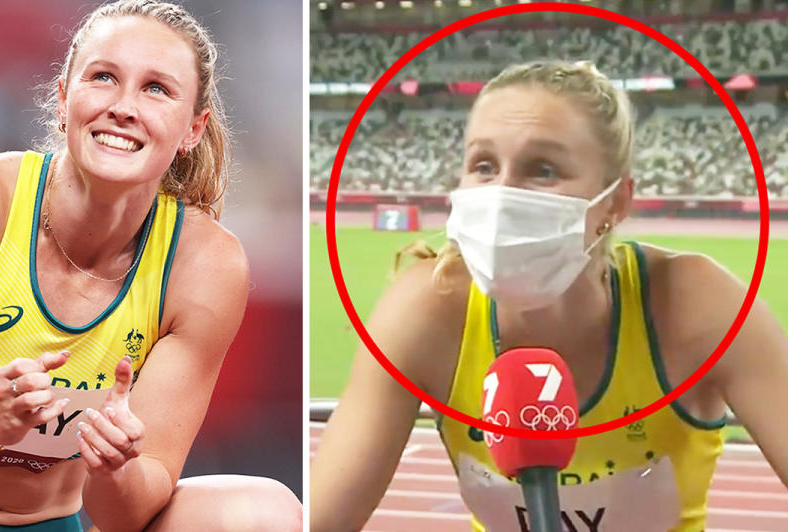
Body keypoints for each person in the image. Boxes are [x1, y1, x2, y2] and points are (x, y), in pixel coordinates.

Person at [0, 0, 301, 531]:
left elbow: (126, 515)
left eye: (156, 89)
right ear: (62, 98)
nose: (124, 106)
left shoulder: (205, 265)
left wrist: (116, 468)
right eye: (103, 77)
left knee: (264, 511)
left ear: (193, 129)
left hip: (60, 521)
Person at [310, 60, 788, 531]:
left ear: (615, 201)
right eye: (483, 165)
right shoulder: (427, 309)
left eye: (542, 169)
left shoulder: (697, 306)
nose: (502, 195)